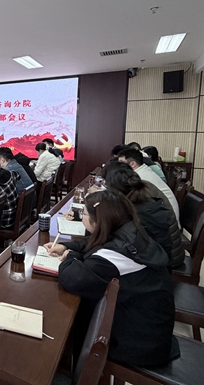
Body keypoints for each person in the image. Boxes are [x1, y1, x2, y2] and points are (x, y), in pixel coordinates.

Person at [46, 190, 179, 367]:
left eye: (84, 214)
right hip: (150, 327)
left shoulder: (114, 258)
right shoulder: (131, 232)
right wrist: (66, 246)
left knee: (74, 314)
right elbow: (96, 244)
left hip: (138, 343)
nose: (82, 217)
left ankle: (71, 367)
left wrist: (70, 256)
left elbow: (73, 278)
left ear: (99, 221)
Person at [103, 161, 184, 268]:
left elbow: (127, 238)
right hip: (166, 252)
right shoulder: (141, 189)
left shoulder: (141, 208)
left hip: (166, 261)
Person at [117, 148, 179, 222]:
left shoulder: (139, 177)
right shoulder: (144, 171)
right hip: (165, 216)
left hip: (166, 221)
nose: (118, 166)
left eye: (121, 163)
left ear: (132, 164)